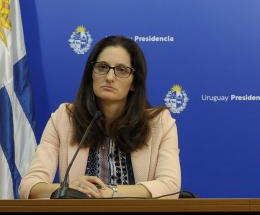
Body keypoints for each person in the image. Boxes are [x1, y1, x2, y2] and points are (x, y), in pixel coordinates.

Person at [19, 36, 181, 199]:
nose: (110, 77)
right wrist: (68, 188)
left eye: (121, 70)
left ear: (134, 83)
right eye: (102, 67)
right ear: (91, 74)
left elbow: (170, 187)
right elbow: (29, 185)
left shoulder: (160, 123)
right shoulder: (64, 118)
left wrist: (111, 192)